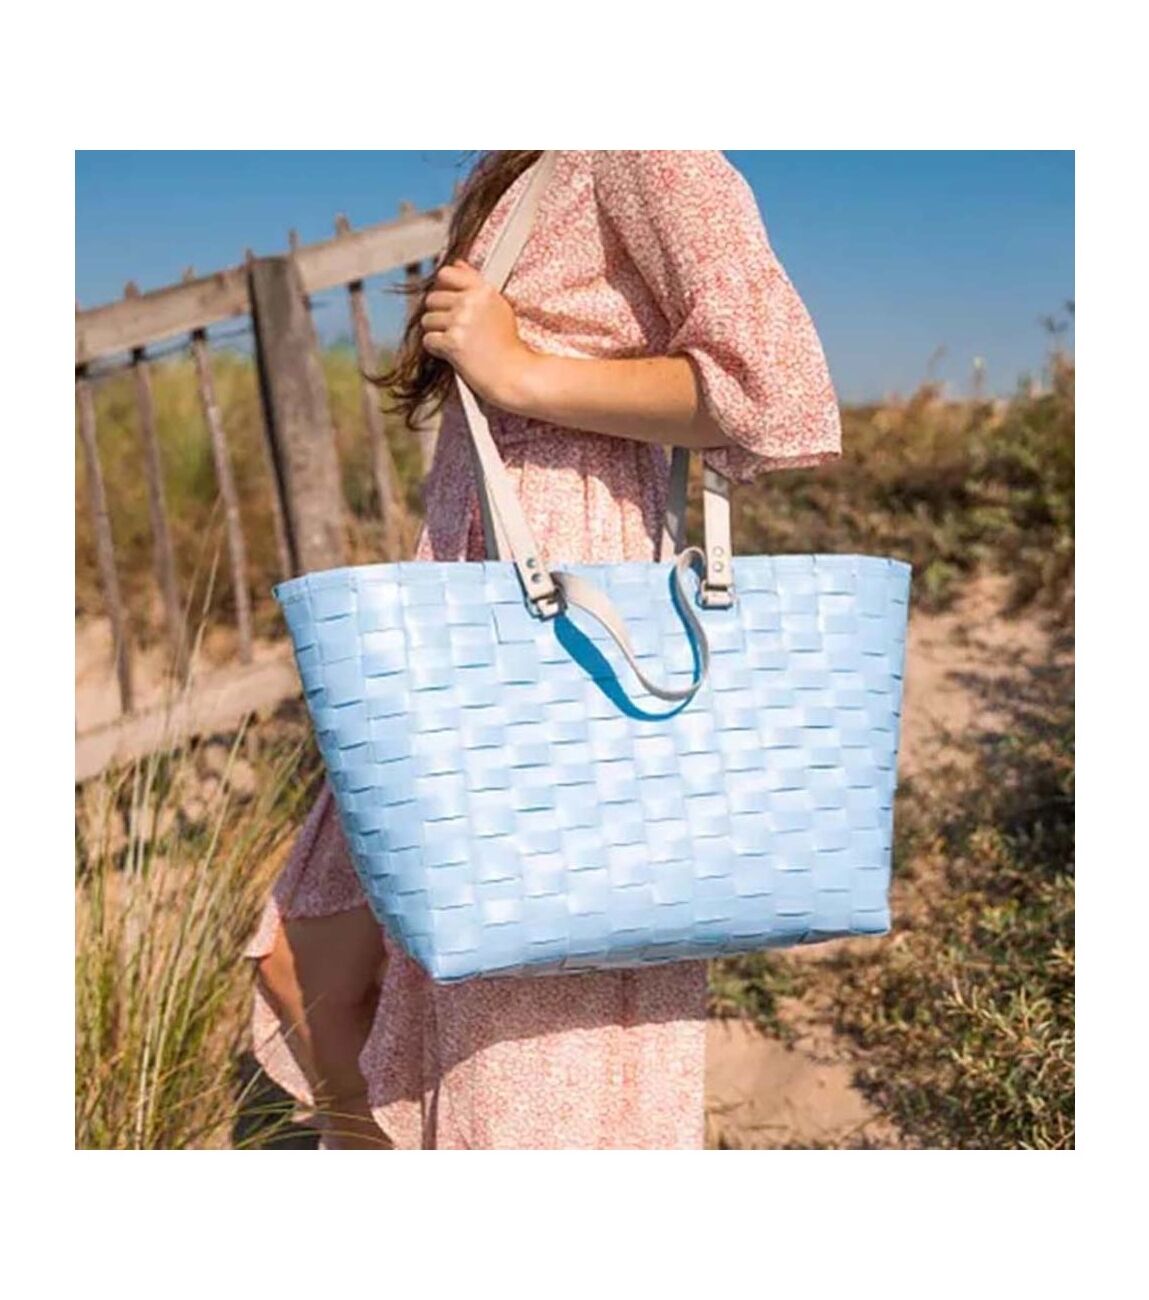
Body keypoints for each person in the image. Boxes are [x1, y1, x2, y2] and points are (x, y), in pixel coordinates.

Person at [244, 150, 842, 1149]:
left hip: (570, 625)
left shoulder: (643, 144)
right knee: (311, 964)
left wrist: (519, 370)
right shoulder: (519, 155)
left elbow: (774, 389)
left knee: (511, 1048)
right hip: (470, 608)